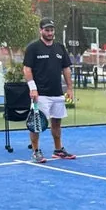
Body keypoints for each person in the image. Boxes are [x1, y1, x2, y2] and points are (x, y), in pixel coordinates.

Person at [22, 18, 77, 163]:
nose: (50, 33)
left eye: (52, 30)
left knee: (57, 123)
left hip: (57, 93)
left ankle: (58, 150)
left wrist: (69, 88)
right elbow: (27, 69)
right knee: (36, 124)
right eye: (47, 30)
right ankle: (36, 151)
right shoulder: (33, 48)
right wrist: (33, 88)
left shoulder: (60, 48)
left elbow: (66, 68)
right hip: (40, 94)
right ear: (41, 30)